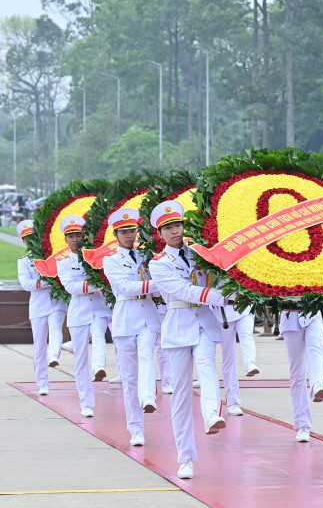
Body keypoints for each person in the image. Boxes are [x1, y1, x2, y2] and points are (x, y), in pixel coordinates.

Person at [147, 200, 229, 480]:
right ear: (160, 233)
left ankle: (211, 415)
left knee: (207, 366)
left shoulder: (200, 253)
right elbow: (183, 290)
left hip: (204, 321)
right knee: (181, 394)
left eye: (178, 225)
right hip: (179, 325)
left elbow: (217, 276)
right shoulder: (157, 265)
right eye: (168, 227)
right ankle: (185, 458)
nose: (174, 231)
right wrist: (222, 297)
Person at [102, 208, 162, 446]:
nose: (129, 236)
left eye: (133, 231)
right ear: (115, 234)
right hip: (126, 318)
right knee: (128, 377)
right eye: (124, 232)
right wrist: (158, 283)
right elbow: (126, 287)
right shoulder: (111, 260)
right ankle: (136, 428)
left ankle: (148, 397)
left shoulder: (147, 256)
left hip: (147, 315)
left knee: (147, 355)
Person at [56, 215, 112, 417]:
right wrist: (96, 285)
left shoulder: (95, 257)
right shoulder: (63, 263)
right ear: (65, 239)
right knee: (80, 360)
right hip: (78, 313)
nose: (74, 239)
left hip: (98, 307)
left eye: (77, 235)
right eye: (70, 236)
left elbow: (105, 277)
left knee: (98, 336)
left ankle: (99, 368)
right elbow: (72, 287)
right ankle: (86, 402)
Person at [17, 220, 67, 395]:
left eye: (33, 237)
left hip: (56, 302)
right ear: (23, 241)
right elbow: (26, 284)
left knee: (55, 328)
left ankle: (54, 356)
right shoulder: (24, 261)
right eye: (27, 239)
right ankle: (42, 383)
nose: (30, 241)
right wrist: (47, 281)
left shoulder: (52, 255)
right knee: (38, 346)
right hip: (38, 306)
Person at [278, 310, 323, 442]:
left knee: (316, 349)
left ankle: (317, 385)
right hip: (290, 317)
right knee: (297, 370)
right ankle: (302, 423)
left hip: (313, 313)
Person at [211, 305, 252, 417]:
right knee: (228, 357)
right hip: (221, 311)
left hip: (243, 306)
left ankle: (250, 363)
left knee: (247, 336)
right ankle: (231, 401)